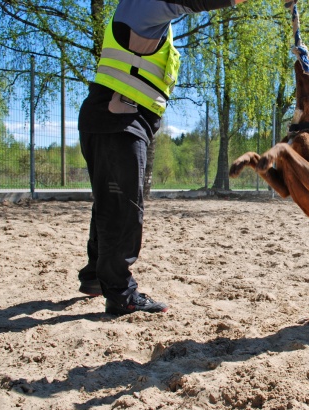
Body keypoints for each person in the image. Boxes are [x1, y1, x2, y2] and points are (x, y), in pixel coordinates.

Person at [77, 0, 247, 315]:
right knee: (124, 210)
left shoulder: (142, 15)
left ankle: (95, 277)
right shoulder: (141, 4)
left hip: (113, 117)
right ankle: (121, 294)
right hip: (118, 119)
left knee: (110, 203)